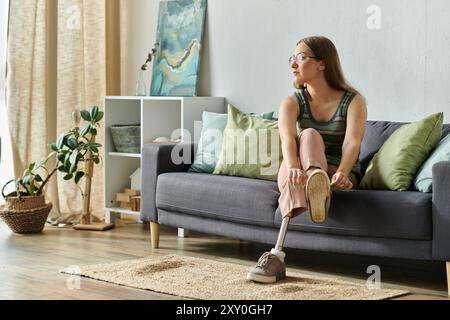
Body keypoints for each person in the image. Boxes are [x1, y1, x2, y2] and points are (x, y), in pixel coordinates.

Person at [247, 36, 368, 284]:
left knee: (311, 136)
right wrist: (293, 167)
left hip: (335, 174)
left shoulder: (353, 101)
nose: (293, 64)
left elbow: (352, 143)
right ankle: (314, 188)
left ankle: (275, 257)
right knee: (308, 136)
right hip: (299, 168)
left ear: (322, 64)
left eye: (300, 58)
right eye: (292, 58)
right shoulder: (292, 101)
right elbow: (287, 139)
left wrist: (344, 172)